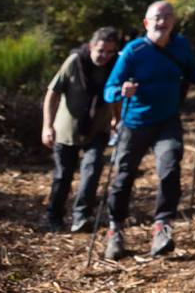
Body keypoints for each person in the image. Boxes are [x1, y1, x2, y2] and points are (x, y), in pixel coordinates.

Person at [100, 0, 195, 259]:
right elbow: (109, 89)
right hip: (134, 123)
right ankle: (115, 231)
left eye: (167, 17)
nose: (161, 22)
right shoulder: (133, 51)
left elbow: (191, 71)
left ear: (173, 22)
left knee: (170, 167)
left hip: (167, 120)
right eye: (156, 17)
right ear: (146, 23)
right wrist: (122, 91)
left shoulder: (180, 45)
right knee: (123, 178)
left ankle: (162, 227)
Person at [41, 26, 120, 233]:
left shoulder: (115, 66)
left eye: (110, 52)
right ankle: (54, 217)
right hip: (66, 130)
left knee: (92, 170)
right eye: (101, 50)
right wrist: (47, 126)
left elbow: (116, 95)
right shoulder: (74, 62)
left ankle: (81, 215)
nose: (104, 56)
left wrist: (116, 119)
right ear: (92, 46)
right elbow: (52, 93)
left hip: (97, 129)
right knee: (63, 175)